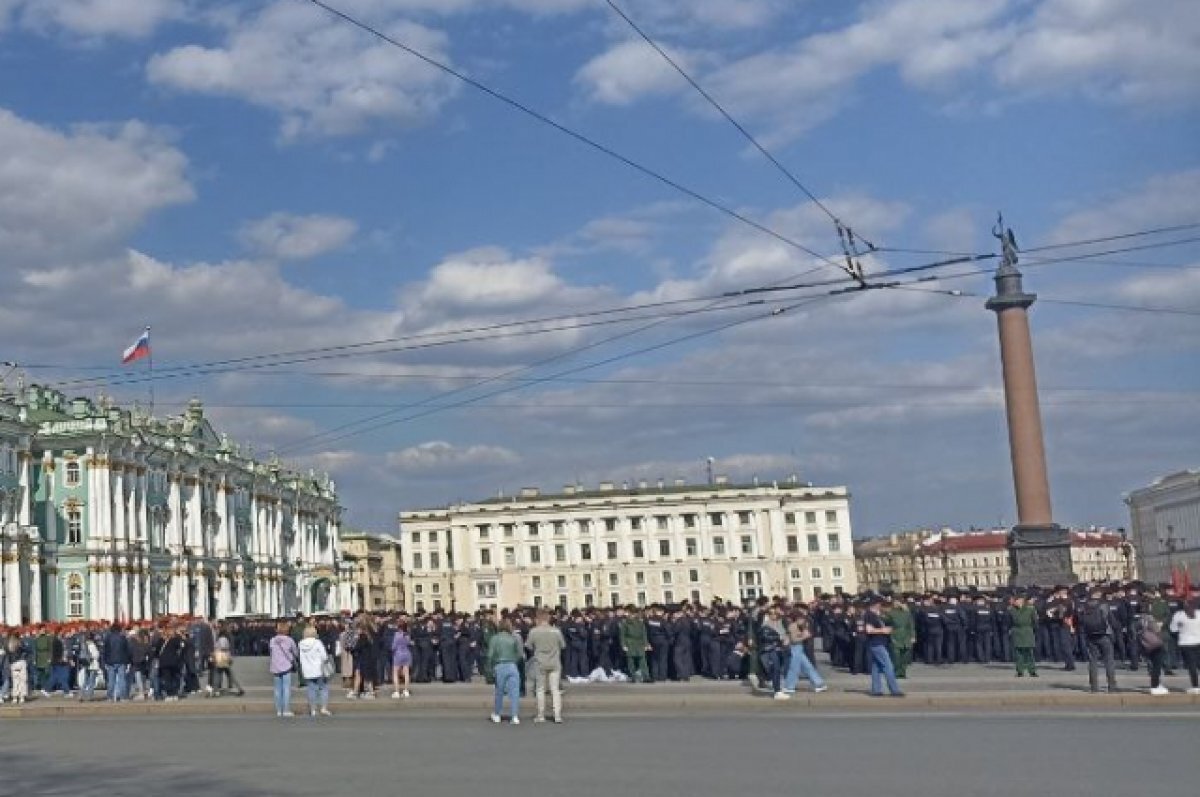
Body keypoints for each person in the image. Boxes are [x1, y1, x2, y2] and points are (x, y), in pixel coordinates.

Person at [525, 609, 567, 723]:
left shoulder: (534, 631)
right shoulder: (556, 631)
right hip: (555, 662)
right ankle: (557, 715)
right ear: (548, 618)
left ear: (538, 619)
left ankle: (541, 715)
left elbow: (528, 646)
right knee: (555, 689)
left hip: (540, 662)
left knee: (540, 689)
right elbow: (563, 645)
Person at [863, 597, 904, 698]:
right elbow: (869, 630)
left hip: (878, 643)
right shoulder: (869, 615)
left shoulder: (875, 615)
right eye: (880, 604)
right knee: (888, 666)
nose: (881, 606)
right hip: (876, 644)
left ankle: (876, 690)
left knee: (876, 667)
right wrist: (883, 630)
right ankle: (894, 690)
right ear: (876, 604)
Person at [1078, 591, 1118, 694]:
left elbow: (1080, 621)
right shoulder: (1104, 606)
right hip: (1105, 635)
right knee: (1109, 661)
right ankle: (1112, 686)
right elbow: (1112, 621)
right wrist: (1116, 630)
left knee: (1093, 661)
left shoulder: (1084, 606)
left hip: (1090, 636)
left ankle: (1094, 687)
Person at [782, 608, 826, 694]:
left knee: (805, 667)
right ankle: (790, 686)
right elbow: (794, 640)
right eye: (801, 619)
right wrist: (804, 636)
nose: (803, 620)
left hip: (798, 648)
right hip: (794, 648)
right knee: (796, 668)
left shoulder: (799, 626)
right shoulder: (793, 626)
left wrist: (804, 634)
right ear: (796, 618)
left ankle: (818, 684)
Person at [487, 619, 522, 725]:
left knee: (499, 691)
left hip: (500, 665)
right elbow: (519, 654)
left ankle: (497, 714)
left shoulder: (495, 638)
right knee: (514, 692)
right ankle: (514, 716)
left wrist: (489, 668)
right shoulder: (513, 638)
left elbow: (490, 655)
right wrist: (514, 661)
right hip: (512, 665)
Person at [298, 625, 333, 717]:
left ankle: (313, 709)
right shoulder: (317, 642)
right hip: (319, 669)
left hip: (307, 670)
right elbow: (324, 656)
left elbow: (300, 658)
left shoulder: (301, 644)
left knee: (311, 689)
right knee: (323, 688)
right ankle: (323, 708)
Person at [756, 604, 788, 700]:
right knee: (775, 669)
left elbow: (783, 633)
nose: (774, 615)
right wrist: (779, 638)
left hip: (777, 650)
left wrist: (785, 638)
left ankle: (777, 688)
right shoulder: (765, 625)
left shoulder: (779, 623)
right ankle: (777, 691)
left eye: (775, 613)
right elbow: (765, 637)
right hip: (768, 650)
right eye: (771, 613)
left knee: (777, 669)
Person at [1169, 598, 1200, 695]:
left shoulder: (1179, 615)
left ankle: (1195, 687)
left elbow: (1173, 629)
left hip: (1185, 643)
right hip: (1198, 642)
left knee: (1192, 666)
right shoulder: (1199, 613)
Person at [268, 621, 299, 718]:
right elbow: (295, 652)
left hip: (275, 666)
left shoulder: (272, 640)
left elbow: (271, 651)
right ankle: (286, 710)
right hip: (286, 666)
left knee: (277, 689)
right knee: (286, 689)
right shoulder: (289, 640)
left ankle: (279, 710)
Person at [209, 624, 245, 697]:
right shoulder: (225, 638)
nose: (217, 631)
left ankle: (215, 691)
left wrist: (215, 651)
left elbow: (223, 648)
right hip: (225, 659)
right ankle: (240, 689)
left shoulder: (222, 639)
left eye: (218, 630)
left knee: (218, 674)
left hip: (221, 658)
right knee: (229, 675)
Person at [1008, 594, 1038, 678]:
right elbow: (1009, 621)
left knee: (1029, 653)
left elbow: (1035, 621)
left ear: (1021, 600)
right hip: (1017, 631)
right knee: (1018, 653)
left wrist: (1032, 629)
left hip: (1027, 631)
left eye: (1017, 600)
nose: (1015, 602)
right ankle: (1020, 671)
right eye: (1015, 600)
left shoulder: (1030, 609)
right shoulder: (1011, 610)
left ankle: (1032, 671)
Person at [102, 623, 131, 702]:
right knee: (122, 680)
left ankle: (110, 697)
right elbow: (127, 650)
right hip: (122, 661)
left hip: (110, 661)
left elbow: (105, 651)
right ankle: (123, 697)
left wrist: (104, 661)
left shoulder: (108, 638)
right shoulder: (123, 638)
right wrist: (128, 661)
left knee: (111, 680)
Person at [391, 620, 413, 699]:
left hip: (398, 654)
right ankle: (406, 691)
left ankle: (397, 692)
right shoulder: (407, 635)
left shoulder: (397, 635)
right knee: (406, 673)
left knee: (395, 673)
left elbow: (394, 646)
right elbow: (409, 643)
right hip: (407, 654)